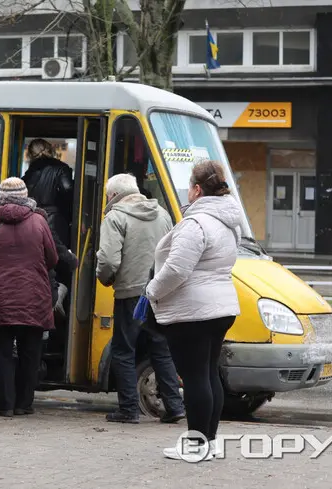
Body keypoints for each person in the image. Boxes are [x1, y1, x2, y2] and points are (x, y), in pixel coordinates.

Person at [145, 161, 241, 461]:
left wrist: (151, 291)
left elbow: (176, 269)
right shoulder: (227, 222)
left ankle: (196, 445)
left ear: (197, 189)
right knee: (208, 373)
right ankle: (208, 442)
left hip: (193, 311)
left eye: (190, 185)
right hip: (220, 306)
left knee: (196, 376)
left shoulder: (196, 223)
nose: (188, 191)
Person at [96, 173, 184, 425]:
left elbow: (109, 260)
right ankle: (175, 406)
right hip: (159, 293)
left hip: (130, 294)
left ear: (113, 195)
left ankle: (128, 410)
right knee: (161, 350)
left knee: (124, 350)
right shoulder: (163, 214)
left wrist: (106, 278)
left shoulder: (115, 217)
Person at [0, 177, 58, 417]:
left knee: (1, 353)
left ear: (0, 195)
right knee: (31, 353)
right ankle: (24, 404)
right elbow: (52, 258)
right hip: (34, 296)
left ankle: (5, 405)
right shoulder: (39, 221)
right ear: (26, 194)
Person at [21, 138, 74, 248]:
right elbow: (68, 189)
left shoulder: (29, 173)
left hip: (31, 220)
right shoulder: (61, 168)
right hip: (55, 222)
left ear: (31, 154)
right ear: (50, 150)